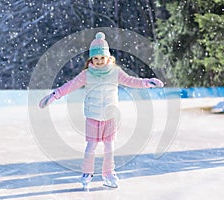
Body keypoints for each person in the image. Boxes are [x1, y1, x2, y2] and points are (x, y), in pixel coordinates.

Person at [39, 32, 164, 189]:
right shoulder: (86, 74)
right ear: (91, 59)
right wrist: (55, 95)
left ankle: (109, 173)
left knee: (109, 146)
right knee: (91, 146)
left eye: (101, 58)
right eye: (95, 58)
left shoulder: (115, 72)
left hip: (110, 116)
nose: (99, 61)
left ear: (107, 57)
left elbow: (131, 81)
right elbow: (70, 85)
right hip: (92, 115)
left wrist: (147, 82)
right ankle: (87, 173)